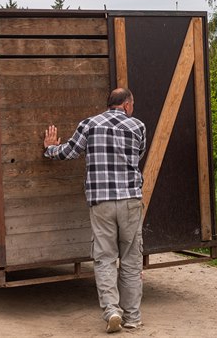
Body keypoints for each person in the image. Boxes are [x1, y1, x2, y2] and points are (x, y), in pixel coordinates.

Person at [43, 87, 146, 333]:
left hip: (101, 201)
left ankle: (111, 310)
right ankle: (132, 316)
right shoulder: (138, 126)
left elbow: (68, 152)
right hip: (131, 199)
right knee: (131, 259)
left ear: (109, 104)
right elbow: (138, 156)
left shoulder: (89, 124)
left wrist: (49, 148)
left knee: (104, 257)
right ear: (127, 105)